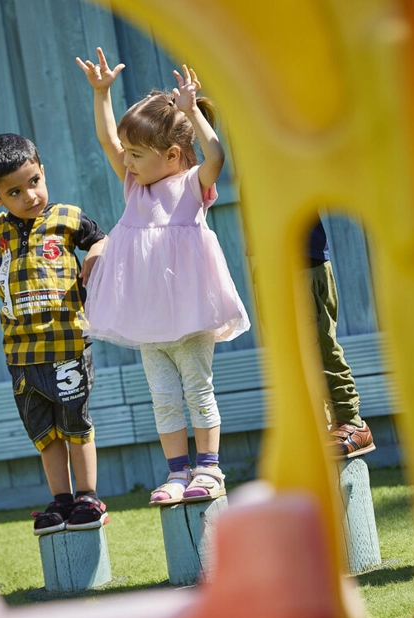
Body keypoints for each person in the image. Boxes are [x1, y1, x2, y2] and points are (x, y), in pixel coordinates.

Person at [76, 47, 250, 506]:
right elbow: (107, 141)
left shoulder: (192, 184)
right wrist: (101, 94)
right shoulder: (134, 186)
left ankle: (209, 468)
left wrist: (192, 108)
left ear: (172, 154)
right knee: (163, 396)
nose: (127, 162)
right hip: (148, 318)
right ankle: (177, 472)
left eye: (137, 154)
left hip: (189, 314)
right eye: (128, 154)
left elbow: (216, 154)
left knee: (197, 386)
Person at [0, 133, 110, 536]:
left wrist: (92, 257)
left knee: (75, 422)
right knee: (44, 431)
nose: (30, 195)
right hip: (21, 352)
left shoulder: (67, 217)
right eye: (15, 191)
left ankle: (88, 496)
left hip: (67, 343)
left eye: (35, 181)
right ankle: (61, 498)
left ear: (43, 172)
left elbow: (102, 239)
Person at [306, 215, 375, 458]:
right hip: (266, 257)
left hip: (303, 258)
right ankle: (320, 426)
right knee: (293, 356)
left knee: (319, 346)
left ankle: (351, 421)